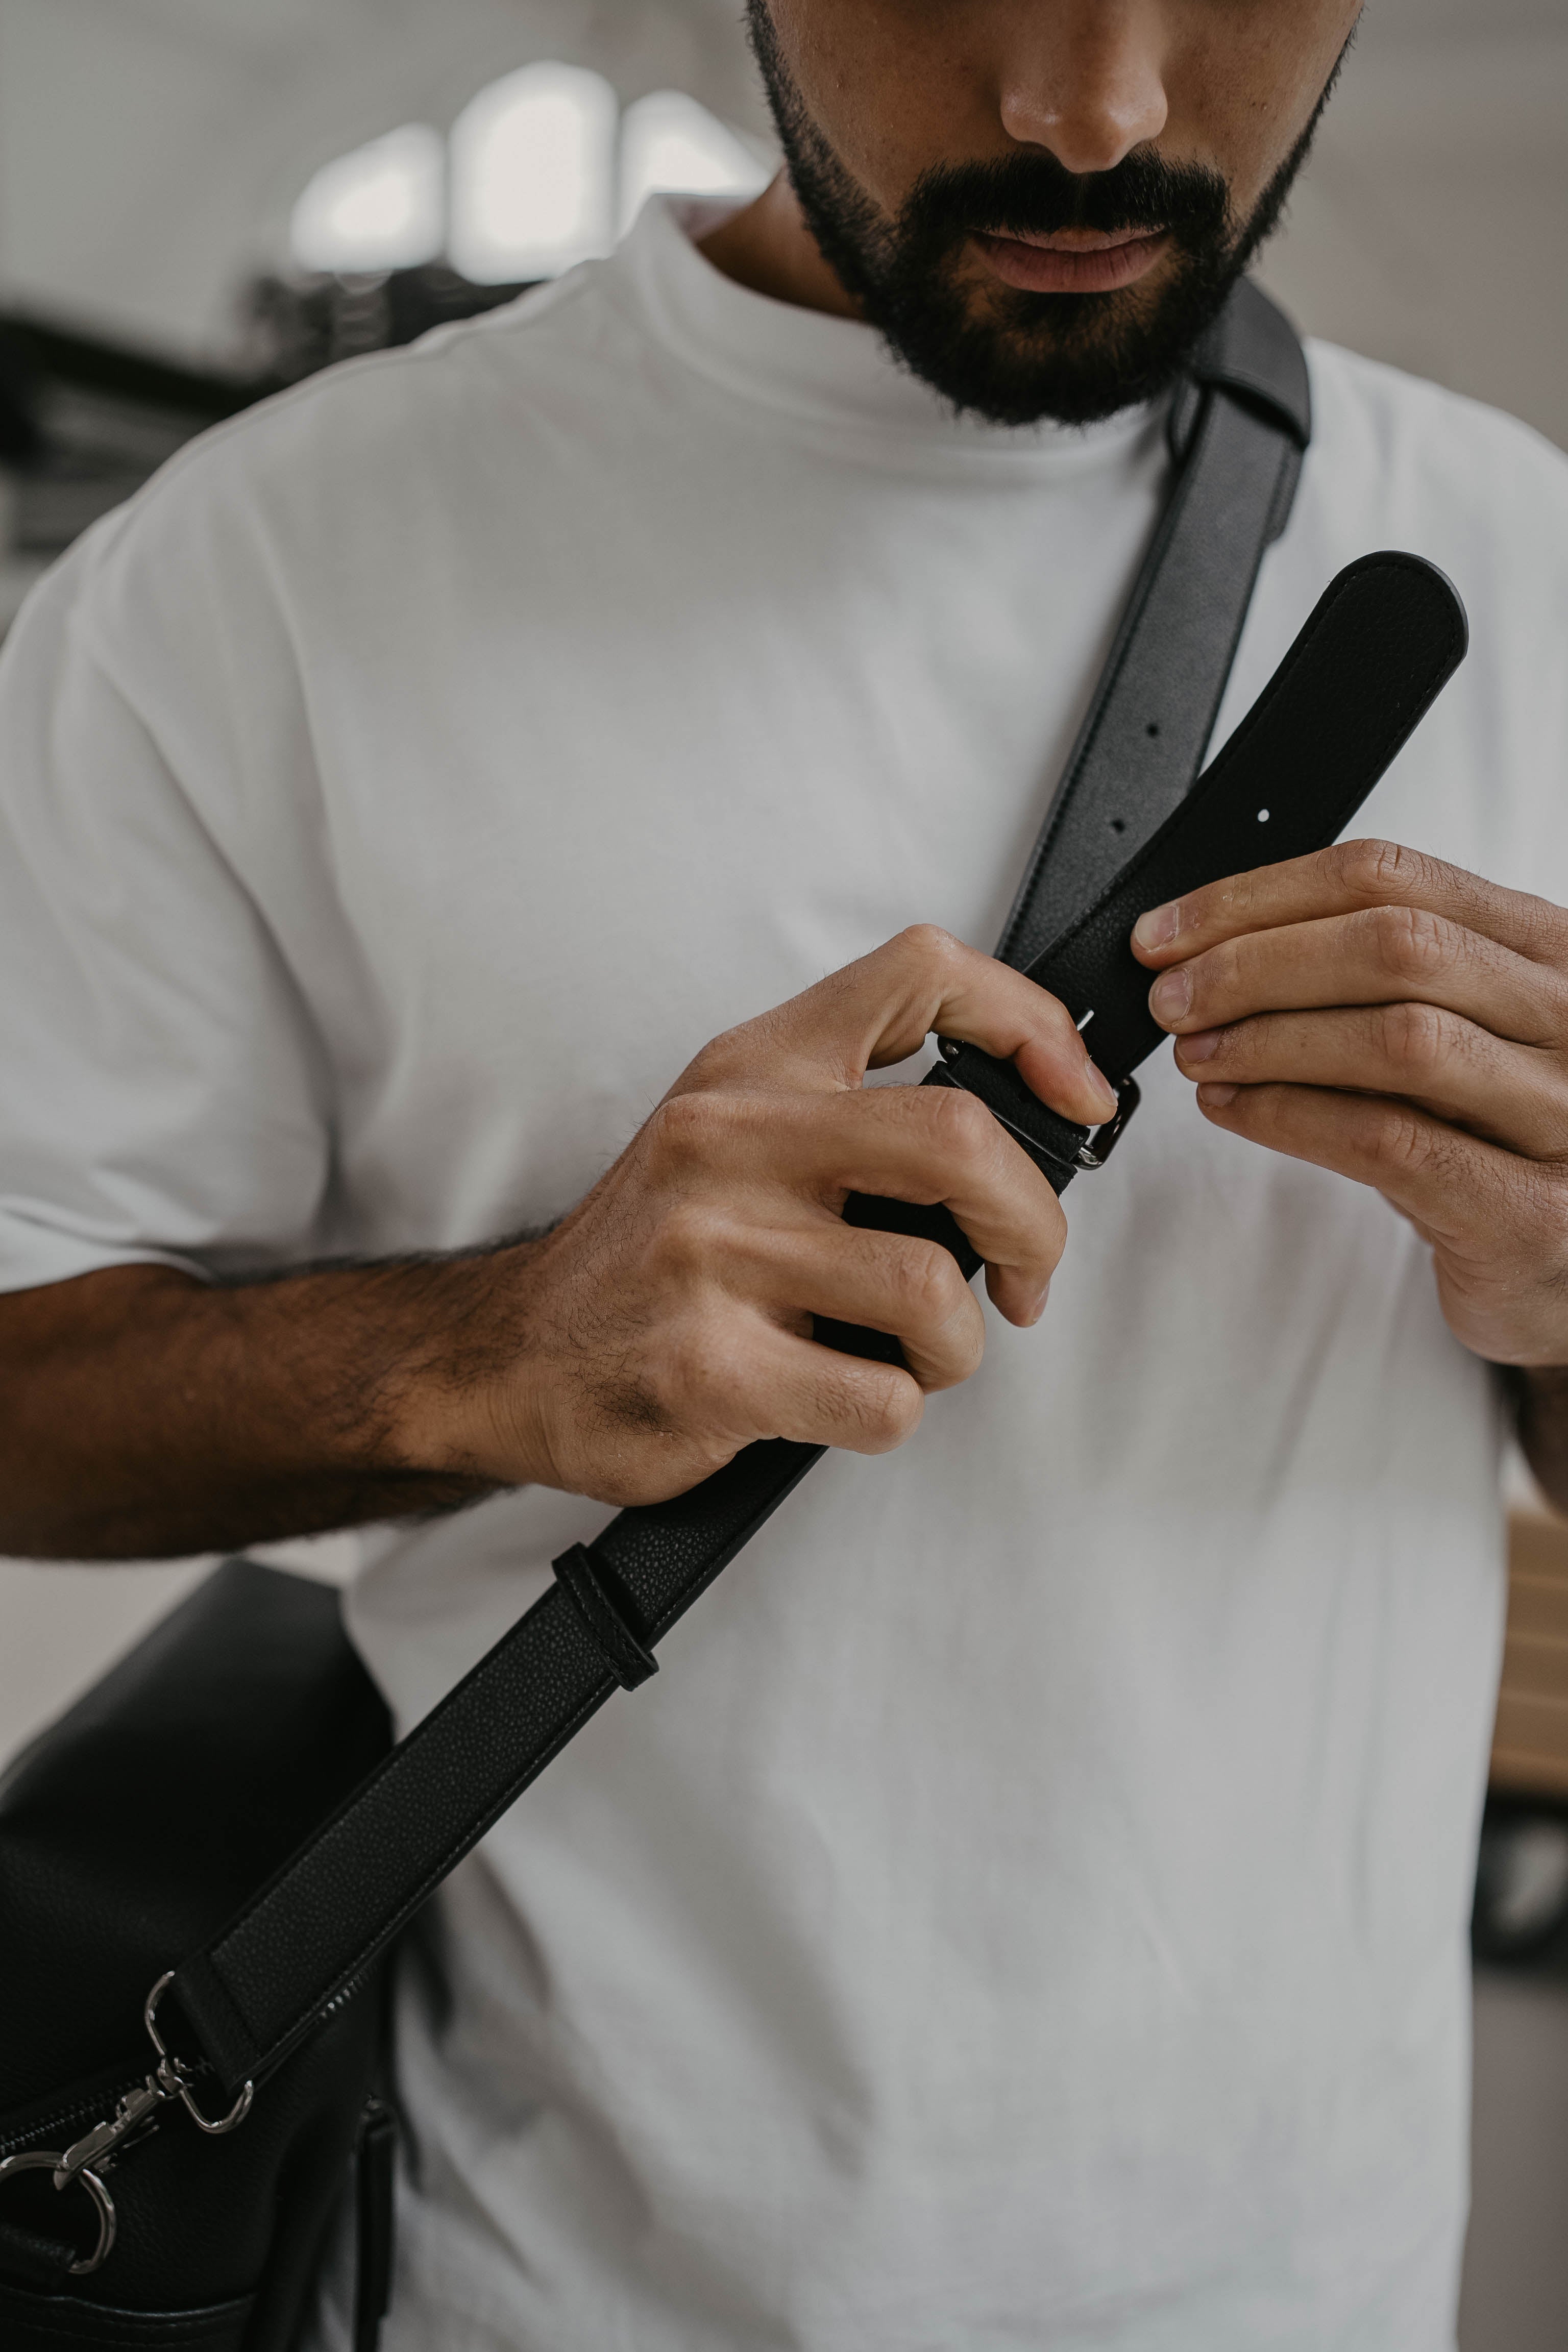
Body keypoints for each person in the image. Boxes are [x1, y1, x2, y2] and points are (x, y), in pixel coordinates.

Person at [2, 1, 1566, 2342]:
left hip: (1314, 2281)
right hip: (516, 2288)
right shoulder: (265, 570)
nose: (1095, 111)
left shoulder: (1535, 565)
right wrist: (494, 1348)